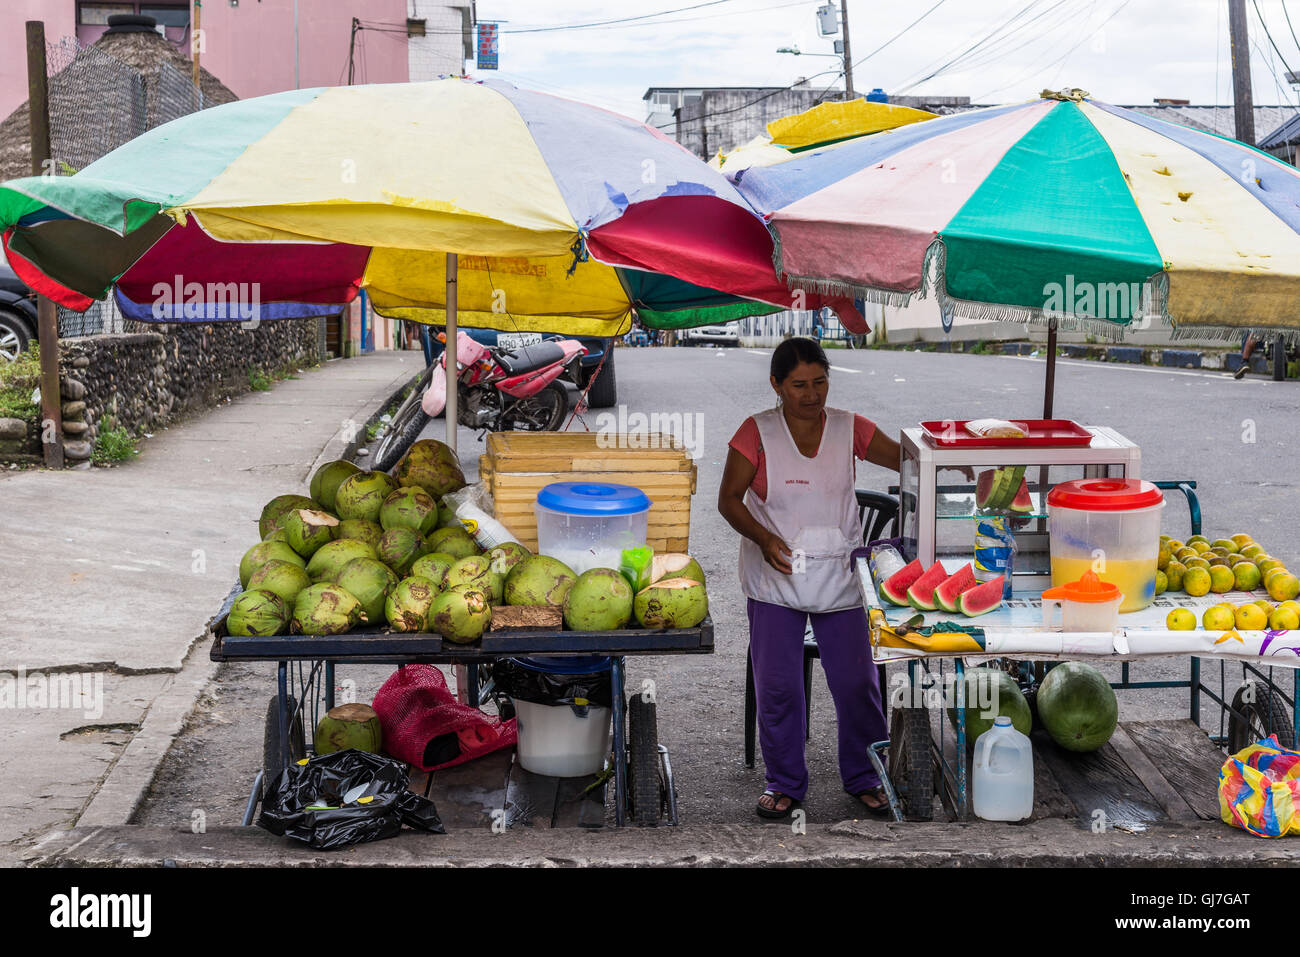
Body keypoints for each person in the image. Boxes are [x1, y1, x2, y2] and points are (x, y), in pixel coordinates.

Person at [717, 336, 900, 819]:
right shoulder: (755, 433)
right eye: (798, 384)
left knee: (858, 683)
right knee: (778, 686)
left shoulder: (850, 428)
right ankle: (784, 782)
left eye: (819, 382)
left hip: (838, 573)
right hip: (776, 576)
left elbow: (907, 458)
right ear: (776, 384)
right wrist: (761, 537)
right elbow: (729, 500)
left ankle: (865, 774)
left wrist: (956, 459)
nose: (811, 393)